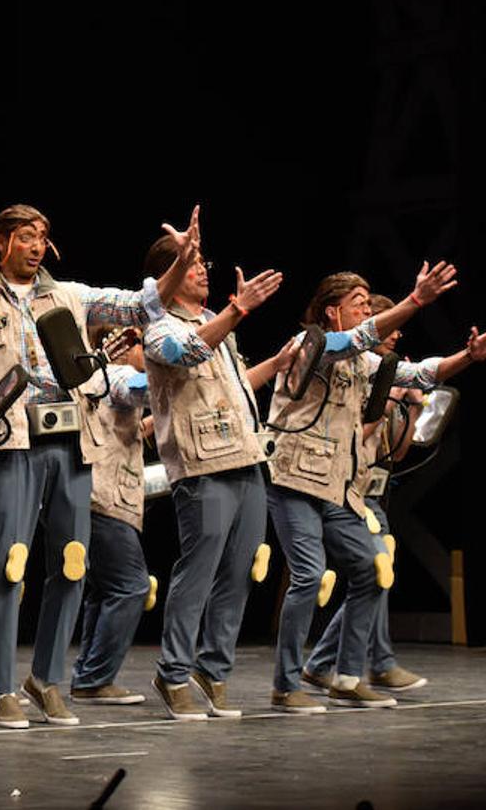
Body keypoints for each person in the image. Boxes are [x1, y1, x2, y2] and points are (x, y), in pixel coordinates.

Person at [0, 196, 198, 728]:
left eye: (42, 236)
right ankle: (2, 686)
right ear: (3, 242)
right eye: (27, 236)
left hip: (71, 442)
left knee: (73, 561)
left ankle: (48, 678)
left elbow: (139, 303)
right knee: (10, 563)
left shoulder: (73, 296)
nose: (37, 246)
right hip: (11, 443)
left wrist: (180, 260)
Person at [266, 268, 486, 712]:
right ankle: (286, 684)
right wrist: (415, 300)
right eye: (358, 301)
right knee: (310, 575)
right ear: (333, 310)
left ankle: (348, 677)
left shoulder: (364, 362)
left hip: (338, 486)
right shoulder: (310, 344)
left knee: (373, 568)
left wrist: (466, 357)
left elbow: (418, 374)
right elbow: (348, 343)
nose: (365, 308)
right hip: (295, 479)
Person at [139, 235, 284, 719]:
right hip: (202, 464)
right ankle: (174, 671)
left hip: (245, 456)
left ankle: (213, 669)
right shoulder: (157, 327)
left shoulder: (215, 323)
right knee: (198, 570)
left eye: (205, 263)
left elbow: (236, 385)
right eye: (194, 264)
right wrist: (237, 311)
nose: (204, 271)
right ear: (173, 274)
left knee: (242, 570)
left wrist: (278, 363)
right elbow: (185, 354)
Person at [301, 293, 428, 694]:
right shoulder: (349, 372)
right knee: (373, 573)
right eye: (381, 321)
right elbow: (353, 438)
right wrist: (386, 403)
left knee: (376, 576)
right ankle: (375, 664)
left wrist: (414, 409)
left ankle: (324, 663)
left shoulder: (386, 374)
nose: (394, 332)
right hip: (348, 490)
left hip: (374, 491)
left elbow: (397, 452)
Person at [70, 326, 153, 705]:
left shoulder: (97, 380)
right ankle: (95, 677)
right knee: (131, 586)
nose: (145, 353)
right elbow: (139, 387)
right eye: (140, 345)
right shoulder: (118, 374)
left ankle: (89, 675)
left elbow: (121, 425)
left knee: (103, 591)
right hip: (107, 498)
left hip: (96, 494)